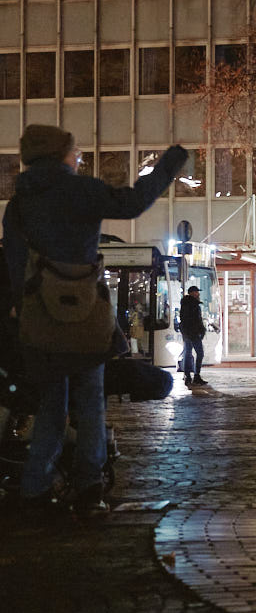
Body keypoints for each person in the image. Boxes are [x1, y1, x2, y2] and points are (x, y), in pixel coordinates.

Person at [4, 126, 185, 514]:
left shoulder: (20, 201)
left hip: (41, 317)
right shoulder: (82, 191)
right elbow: (134, 202)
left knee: (52, 404)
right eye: (76, 153)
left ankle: (35, 488)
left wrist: (22, 306)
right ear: (60, 155)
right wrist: (169, 164)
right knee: (90, 403)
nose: (79, 158)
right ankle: (89, 488)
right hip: (86, 311)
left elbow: (14, 260)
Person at [179, 284, 208, 387]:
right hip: (193, 333)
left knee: (188, 353)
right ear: (191, 293)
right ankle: (195, 376)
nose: (198, 293)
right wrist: (199, 330)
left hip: (189, 333)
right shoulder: (191, 304)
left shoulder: (187, 303)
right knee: (199, 353)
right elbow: (193, 320)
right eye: (196, 292)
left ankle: (188, 376)